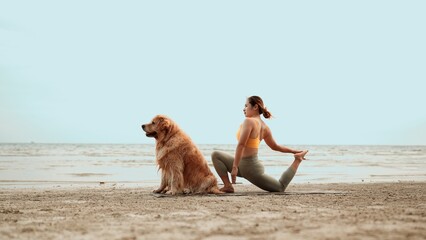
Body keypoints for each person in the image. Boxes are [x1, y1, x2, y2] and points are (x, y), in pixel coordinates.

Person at [211, 96, 308, 193]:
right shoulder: (265, 127)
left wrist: (234, 167)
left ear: (255, 107)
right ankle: (228, 186)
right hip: (244, 164)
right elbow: (275, 147)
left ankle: (297, 160)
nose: (243, 109)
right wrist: (293, 151)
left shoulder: (249, 121)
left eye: (246, 106)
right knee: (216, 155)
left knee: (280, 187)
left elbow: (241, 145)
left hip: (251, 169)